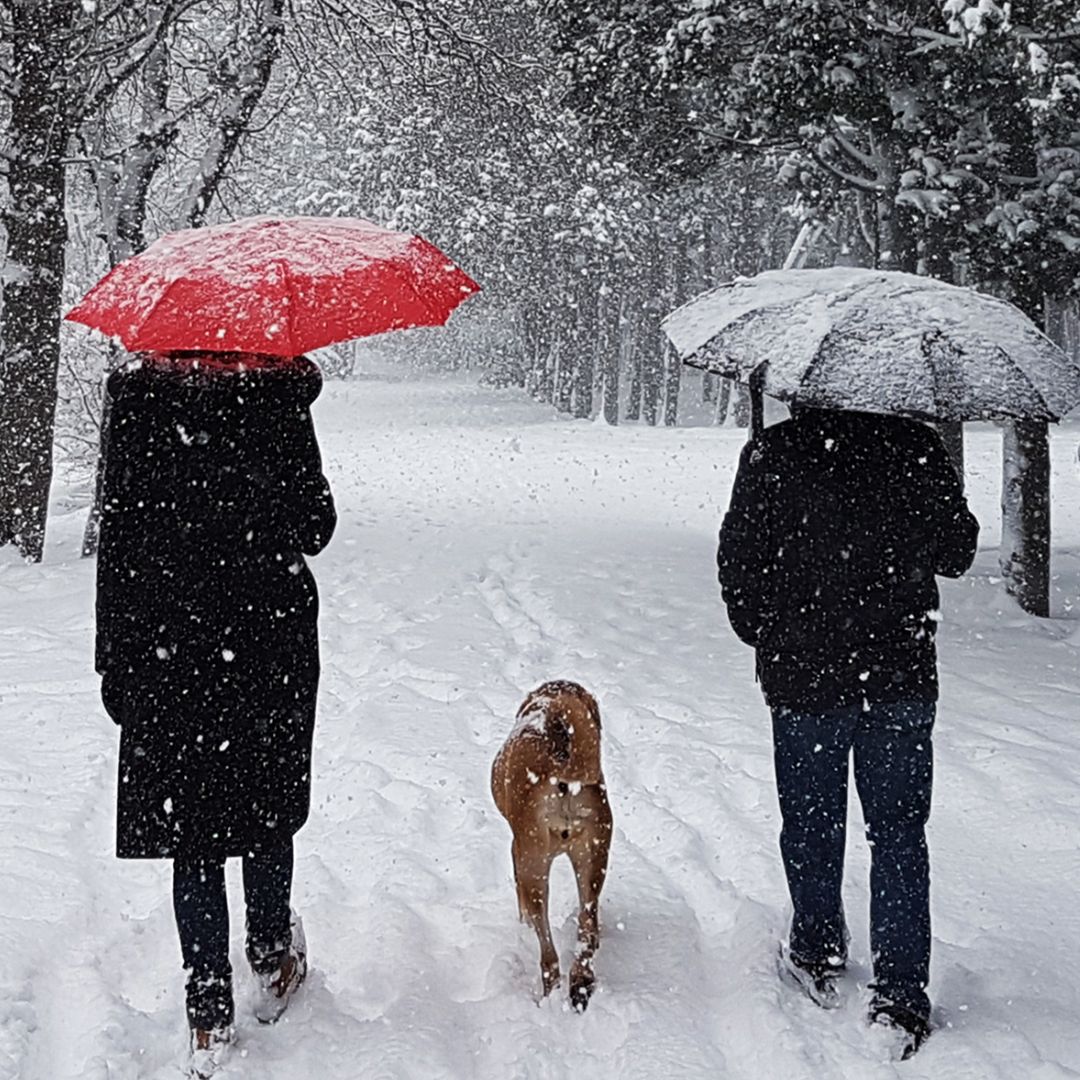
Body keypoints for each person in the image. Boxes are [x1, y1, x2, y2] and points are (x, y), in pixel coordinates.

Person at [95, 351, 336, 1077]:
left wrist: (113, 654)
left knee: (190, 824)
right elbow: (315, 526)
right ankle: (269, 954)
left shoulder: (138, 402)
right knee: (265, 804)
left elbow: (119, 535)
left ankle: (208, 1011)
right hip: (266, 635)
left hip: (167, 637)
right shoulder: (276, 393)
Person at [717, 405, 978, 1057]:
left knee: (810, 818)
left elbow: (739, 561)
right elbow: (957, 552)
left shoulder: (774, 450)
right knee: (898, 830)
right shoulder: (915, 445)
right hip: (900, 671)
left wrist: (769, 631)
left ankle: (817, 945)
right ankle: (900, 992)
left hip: (805, 674)